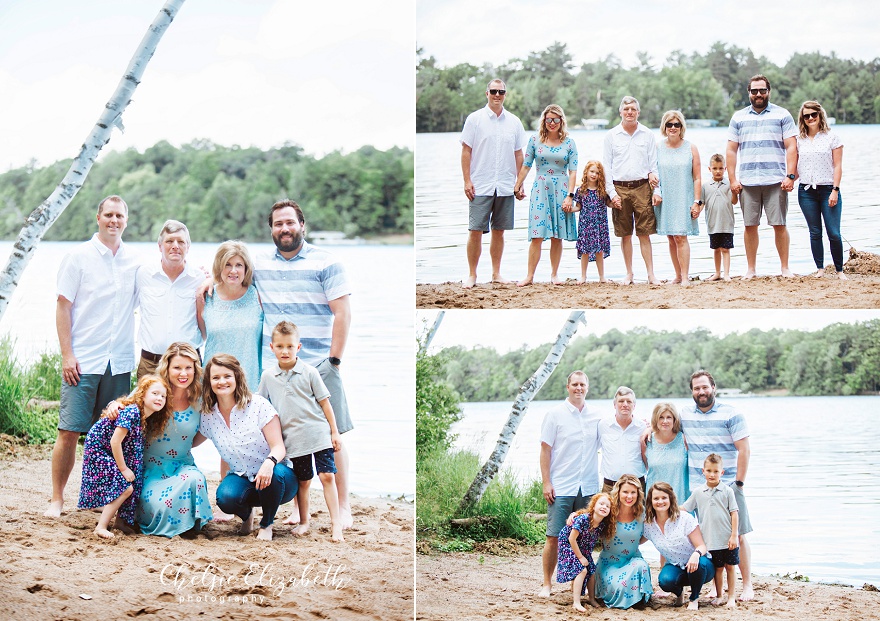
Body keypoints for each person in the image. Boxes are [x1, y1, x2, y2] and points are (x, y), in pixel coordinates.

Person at [254, 199, 355, 528]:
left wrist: (334, 361)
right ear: (271, 228)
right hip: (281, 372)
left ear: (302, 225)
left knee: (333, 434)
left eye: (290, 222)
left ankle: (343, 507)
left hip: (319, 365)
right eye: (278, 223)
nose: (284, 228)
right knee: (294, 440)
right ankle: (301, 511)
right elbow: (230, 277)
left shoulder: (326, 262)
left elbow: (343, 312)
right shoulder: (259, 265)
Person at [45, 195, 139, 518]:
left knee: (112, 435)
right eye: (109, 214)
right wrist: (67, 354)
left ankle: (103, 500)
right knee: (69, 430)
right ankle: (57, 499)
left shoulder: (134, 262)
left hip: (119, 362)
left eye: (120, 215)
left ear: (126, 220)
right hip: (83, 360)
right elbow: (63, 306)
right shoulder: (78, 257)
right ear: (98, 217)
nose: (114, 220)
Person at [257, 321, 344, 542]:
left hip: (318, 434)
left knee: (326, 476)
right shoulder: (268, 376)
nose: (284, 351)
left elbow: (325, 404)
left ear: (298, 347)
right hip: (293, 440)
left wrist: (334, 432)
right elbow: (261, 407)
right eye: (280, 346)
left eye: (289, 346)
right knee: (304, 481)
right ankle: (304, 521)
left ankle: (337, 525)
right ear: (272, 347)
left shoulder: (310, 372)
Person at [196, 354, 296, 541]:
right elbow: (190, 442)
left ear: (236, 377)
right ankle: (247, 515)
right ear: (209, 382)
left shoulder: (258, 405)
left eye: (227, 376)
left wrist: (269, 463)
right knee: (225, 498)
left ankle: (267, 524)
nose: (222, 381)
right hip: (244, 477)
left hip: (280, 478)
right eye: (216, 377)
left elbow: (279, 448)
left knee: (273, 474)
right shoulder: (208, 415)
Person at [680, 369, 754, 600]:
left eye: (705, 387)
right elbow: (666, 427)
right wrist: (646, 429)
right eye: (696, 388)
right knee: (708, 537)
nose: (701, 391)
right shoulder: (684, 415)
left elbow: (744, 449)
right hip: (699, 487)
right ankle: (715, 584)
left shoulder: (731, 414)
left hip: (729, 484)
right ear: (692, 391)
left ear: (713, 387)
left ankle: (748, 584)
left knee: (738, 535)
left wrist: (738, 483)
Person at [77, 375, 172, 539]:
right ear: (142, 394)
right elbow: (115, 442)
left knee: (135, 479)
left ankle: (121, 522)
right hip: (99, 448)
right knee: (125, 487)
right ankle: (101, 526)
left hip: (109, 448)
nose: (160, 398)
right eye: (155, 393)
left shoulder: (144, 418)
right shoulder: (132, 412)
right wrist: (123, 468)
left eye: (163, 396)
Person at [136, 343, 213, 537]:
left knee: (195, 479)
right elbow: (127, 405)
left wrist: (183, 446)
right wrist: (113, 405)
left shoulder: (200, 398)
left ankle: (187, 525)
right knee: (159, 504)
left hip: (182, 465)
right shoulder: (155, 390)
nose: (183, 373)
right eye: (177, 367)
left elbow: (209, 429)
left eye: (188, 367)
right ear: (167, 368)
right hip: (150, 468)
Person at [726, 74, 798, 279]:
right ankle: (751, 269)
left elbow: (791, 146)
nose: (759, 94)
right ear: (749, 93)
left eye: (762, 90)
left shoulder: (782, 115)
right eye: (754, 91)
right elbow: (731, 151)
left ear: (768, 92)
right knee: (750, 226)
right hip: (747, 181)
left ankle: (785, 268)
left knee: (779, 224)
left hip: (776, 180)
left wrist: (790, 176)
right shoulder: (738, 117)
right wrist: (732, 179)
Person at [538, 371, 601, 598]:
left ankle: (580, 585)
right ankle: (547, 584)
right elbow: (545, 449)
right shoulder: (554, 414)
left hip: (589, 486)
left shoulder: (596, 415)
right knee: (554, 536)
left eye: (582, 384)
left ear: (587, 387)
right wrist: (547, 482)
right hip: (562, 486)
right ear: (568, 387)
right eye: (575, 384)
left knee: (584, 538)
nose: (579, 388)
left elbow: (612, 436)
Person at [460, 78, 528, 288]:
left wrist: (520, 182)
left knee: (499, 230)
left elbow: (519, 154)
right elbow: (466, 151)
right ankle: (472, 274)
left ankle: (496, 273)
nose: (497, 95)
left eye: (501, 92)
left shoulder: (514, 122)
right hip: (481, 183)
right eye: (494, 91)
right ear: (486, 93)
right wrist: (467, 180)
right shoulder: (474, 119)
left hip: (506, 184)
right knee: (475, 230)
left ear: (505, 94)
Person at [513, 104, 578, 286]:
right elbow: (526, 165)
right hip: (540, 188)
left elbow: (573, 172)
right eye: (549, 119)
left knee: (557, 235)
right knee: (537, 234)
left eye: (556, 119)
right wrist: (518, 185)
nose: (552, 123)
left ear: (561, 121)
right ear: (544, 120)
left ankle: (554, 274)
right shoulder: (535, 140)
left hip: (561, 188)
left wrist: (570, 196)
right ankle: (530, 276)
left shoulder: (569, 143)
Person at [135, 220, 204, 379]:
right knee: (148, 404)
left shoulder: (199, 278)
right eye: (169, 241)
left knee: (192, 405)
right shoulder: (143, 274)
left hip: (188, 365)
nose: (175, 246)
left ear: (188, 247)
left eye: (181, 242)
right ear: (160, 246)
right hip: (151, 364)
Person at [603, 96, 660, 285]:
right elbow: (607, 167)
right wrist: (611, 194)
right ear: (620, 112)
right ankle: (629, 273)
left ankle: (651, 274)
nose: (629, 112)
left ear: (638, 112)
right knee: (625, 234)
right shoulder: (611, 135)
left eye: (633, 109)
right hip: (620, 188)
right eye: (626, 109)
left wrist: (657, 189)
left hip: (643, 187)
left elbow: (654, 165)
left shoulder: (647, 134)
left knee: (644, 233)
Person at [198, 240, 263, 391]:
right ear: (219, 266)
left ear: (246, 268)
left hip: (249, 382)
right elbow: (202, 335)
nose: (233, 270)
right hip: (214, 383)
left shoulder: (258, 295)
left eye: (239, 265)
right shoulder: (206, 297)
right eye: (227, 264)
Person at [642, 482, 714, 610]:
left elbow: (702, 546)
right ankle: (680, 594)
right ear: (650, 501)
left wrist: (695, 555)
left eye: (664, 497)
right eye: (656, 498)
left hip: (701, 565)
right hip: (676, 565)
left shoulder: (685, 518)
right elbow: (635, 541)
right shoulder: (649, 524)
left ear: (670, 499)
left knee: (698, 565)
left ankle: (694, 598)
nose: (660, 501)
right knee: (665, 581)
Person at [681, 454, 740, 608]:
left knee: (730, 568)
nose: (712, 474)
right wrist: (665, 509)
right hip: (710, 540)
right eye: (709, 470)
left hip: (728, 539)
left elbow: (734, 513)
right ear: (703, 471)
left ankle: (731, 597)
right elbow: (685, 508)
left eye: (715, 471)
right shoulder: (698, 492)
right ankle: (719, 595)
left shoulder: (727, 491)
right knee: (718, 570)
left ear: (722, 472)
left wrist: (734, 535)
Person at [795, 100, 845, 279]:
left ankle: (839, 270)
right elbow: (796, 167)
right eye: (806, 116)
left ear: (820, 114)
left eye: (813, 115)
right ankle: (820, 269)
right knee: (815, 232)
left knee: (834, 232)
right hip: (806, 192)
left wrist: (835, 190)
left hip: (828, 191)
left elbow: (838, 166)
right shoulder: (799, 139)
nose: (810, 118)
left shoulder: (832, 137)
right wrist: (788, 180)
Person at [653, 110, 702, 286]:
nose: (673, 128)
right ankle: (678, 275)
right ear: (664, 127)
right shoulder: (657, 148)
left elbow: (697, 178)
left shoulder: (691, 147)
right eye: (669, 124)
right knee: (671, 237)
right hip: (666, 199)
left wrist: (697, 202)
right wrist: (655, 192)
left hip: (684, 197)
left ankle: (686, 277)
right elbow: (652, 173)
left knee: (681, 236)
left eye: (677, 125)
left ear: (682, 127)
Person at [595, 474, 653, 608]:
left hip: (632, 559)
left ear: (638, 494)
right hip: (609, 563)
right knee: (618, 587)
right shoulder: (608, 510)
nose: (629, 496)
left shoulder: (642, 512)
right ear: (618, 492)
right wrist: (575, 515)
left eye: (633, 492)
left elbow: (647, 534)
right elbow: (590, 515)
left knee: (641, 566)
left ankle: (638, 599)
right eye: (625, 492)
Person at [556, 493, 614, 611]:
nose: (604, 507)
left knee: (592, 571)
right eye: (601, 504)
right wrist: (580, 557)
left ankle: (591, 599)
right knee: (582, 570)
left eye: (607, 506)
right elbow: (571, 539)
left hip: (583, 546)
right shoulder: (583, 519)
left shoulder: (602, 525)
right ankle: (576, 602)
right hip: (568, 544)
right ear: (593, 506)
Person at [599, 386, 647, 493]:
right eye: (621, 401)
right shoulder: (603, 425)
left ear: (634, 405)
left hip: (637, 487)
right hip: (610, 487)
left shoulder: (643, 427)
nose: (625, 404)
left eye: (629, 401)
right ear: (614, 405)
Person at [572, 160, 611, 283]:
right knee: (585, 251)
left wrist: (616, 204)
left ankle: (602, 277)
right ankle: (583, 276)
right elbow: (578, 207)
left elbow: (608, 203)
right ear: (586, 172)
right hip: (586, 224)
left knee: (599, 251)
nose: (594, 175)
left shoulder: (603, 190)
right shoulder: (581, 190)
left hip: (599, 224)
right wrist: (570, 209)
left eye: (597, 173)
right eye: (592, 171)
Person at [701, 154, 739, 281]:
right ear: (709, 169)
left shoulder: (729, 184)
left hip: (727, 222)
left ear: (725, 169)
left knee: (726, 249)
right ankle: (717, 273)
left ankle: (726, 273)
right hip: (712, 222)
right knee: (716, 248)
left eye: (720, 168)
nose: (718, 171)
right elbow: (701, 203)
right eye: (715, 168)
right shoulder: (705, 186)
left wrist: (734, 192)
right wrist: (695, 213)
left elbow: (734, 202)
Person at [643, 402, 689, 505]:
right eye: (661, 417)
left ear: (674, 419)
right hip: (655, 503)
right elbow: (646, 467)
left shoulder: (684, 439)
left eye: (669, 417)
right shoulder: (647, 441)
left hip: (680, 502)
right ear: (655, 419)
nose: (665, 421)